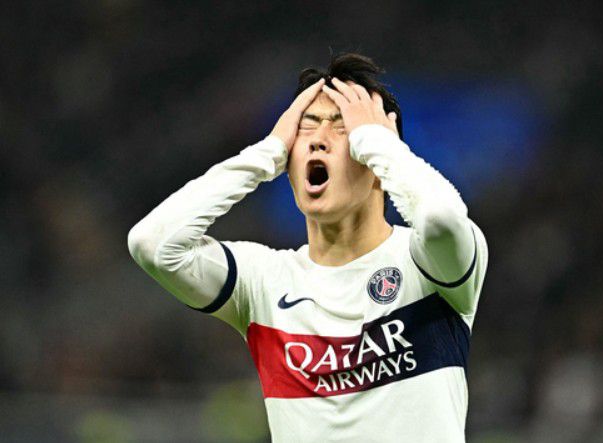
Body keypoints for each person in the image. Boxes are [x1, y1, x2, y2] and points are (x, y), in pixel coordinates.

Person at [127, 52, 488, 442]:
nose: (317, 140)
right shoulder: (263, 282)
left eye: (342, 128)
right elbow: (153, 244)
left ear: (376, 158)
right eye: (306, 127)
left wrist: (379, 143)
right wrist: (266, 153)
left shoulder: (426, 264)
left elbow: (442, 219)